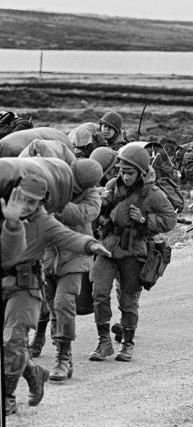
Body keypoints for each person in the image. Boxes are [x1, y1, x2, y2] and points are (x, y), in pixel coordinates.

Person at [2, 177, 110, 415]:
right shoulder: (4, 211)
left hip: (24, 286)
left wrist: (91, 245)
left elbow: (68, 237)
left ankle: (7, 397)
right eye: (24, 199)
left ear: (43, 202)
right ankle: (32, 372)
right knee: (9, 345)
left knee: (13, 340)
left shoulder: (44, 222)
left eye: (34, 202)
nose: (28, 206)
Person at [89, 144, 177, 362]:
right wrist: (102, 203)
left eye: (130, 173)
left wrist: (145, 220)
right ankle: (104, 342)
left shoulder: (152, 193)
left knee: (128, 299)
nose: (125, 176)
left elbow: (170, 220)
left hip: (133, 249)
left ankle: (127, 343)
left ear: (141, 172)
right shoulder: (112, 185)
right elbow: (96, 213)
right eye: (122, 171)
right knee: (99, 292)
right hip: (108, 246)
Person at [36, 160, 104, 382]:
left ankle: (63, 357)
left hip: (75, 257)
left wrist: (55, 201)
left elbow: (80, 215)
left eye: (77, 189)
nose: (72, 190)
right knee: (51, 306)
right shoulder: (55, 183)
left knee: (63, 304)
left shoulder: (93, 198)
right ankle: (58, 346)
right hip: (48, 256)